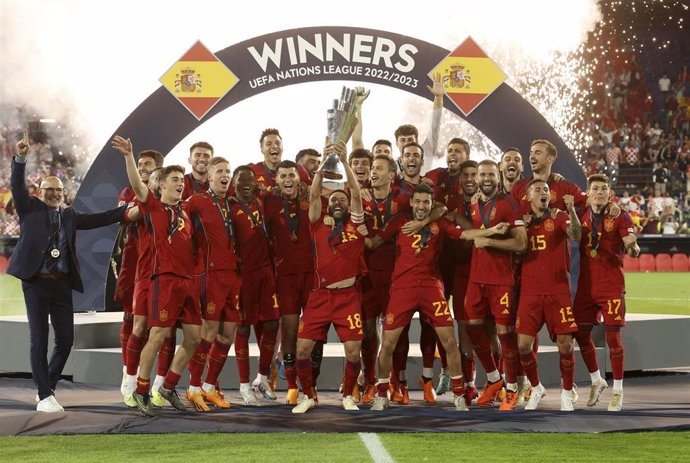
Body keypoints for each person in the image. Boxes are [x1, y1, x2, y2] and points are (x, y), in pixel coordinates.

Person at [10, 130, 127, 413]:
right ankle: (44, 394)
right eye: (49, 189)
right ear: (40, 192)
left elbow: (99, 219)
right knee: (39, 339)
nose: (54, 193)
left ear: (64, 195)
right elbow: (16, 187)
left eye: (59, 190)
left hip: (61, 285)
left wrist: (125, 211)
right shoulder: (30, 210)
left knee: (66, 340)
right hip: (36, 284)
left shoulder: (70, 216)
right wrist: (20, 159)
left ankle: (47, 387)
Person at [366, 183, 507, 411]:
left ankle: (459, 394)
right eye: (418, 201)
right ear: (411, 203)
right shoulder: (399, 222)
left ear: (431, 205)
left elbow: (465, 234)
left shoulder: (438, 223)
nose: (421, 206)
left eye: (426, 202)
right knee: (388, 343)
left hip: (432, 286)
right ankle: (382, 394)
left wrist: (490, 231)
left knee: (450, 341)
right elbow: (374, 242)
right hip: (403, 287)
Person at [112, 135, 202, 417]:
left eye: (181, 179)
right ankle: (141, 389)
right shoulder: (154, 207)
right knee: (159, 334)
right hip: (164, 279)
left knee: (194, 338)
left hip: (188, 281)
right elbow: (138, 186)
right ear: (161, 184)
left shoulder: (185, 211)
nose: (179, 182)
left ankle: (168, 386)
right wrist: (129, 156)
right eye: (174, 179)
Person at [291, 141, 366, 414]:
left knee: (353, 352)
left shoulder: (357, 225)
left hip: (348, 297)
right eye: (333, 200)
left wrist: (345, 162)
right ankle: (308, 396)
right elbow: (312, 196)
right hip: (320, 296)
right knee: (302, 350)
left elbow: (356, 194)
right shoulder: (316, 224)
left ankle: (348, 394)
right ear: (328, 204)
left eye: (342, 200)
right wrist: (323, 163)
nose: (338, 203)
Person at [463, 160, 527, 410]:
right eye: (482, 174)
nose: (486, 178)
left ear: (498, 176)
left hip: (501, 280)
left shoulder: (510, 205)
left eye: (490, 174)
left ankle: (511, 389)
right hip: (476, 279)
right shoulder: (473, 204)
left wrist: (490, 243)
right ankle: (493, 379)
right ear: (477, 178)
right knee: (473, 328)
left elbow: (521, 244)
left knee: (504, 334)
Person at [573, 174, 640, 412]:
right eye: (595, 189)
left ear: (609, 192)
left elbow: (630, 240)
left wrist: (632, 245)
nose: (599, 192)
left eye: (603, 189)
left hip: (611, 286)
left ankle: (618, 391)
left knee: (613, 339)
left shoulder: (619, 215)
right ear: (588, 192)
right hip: (585, 288)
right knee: (580, 335)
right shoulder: (579, 213)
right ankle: (596, 380)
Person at [516, 180, 582, 411]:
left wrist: (572, 210)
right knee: (523, 346)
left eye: (546, 190)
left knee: (565, 344)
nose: (544, 192)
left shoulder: (560, 216)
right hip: (530, 292)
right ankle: (536, 387)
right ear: (528, 197)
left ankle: (566, 392)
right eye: (538, 190)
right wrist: (520, 228)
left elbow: (576, 234)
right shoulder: (520, 221)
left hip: (557, 291)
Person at [183, 156, 241, 411]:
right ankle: (193, 388)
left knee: (228, 334)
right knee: (208, 333)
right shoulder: (197, 201)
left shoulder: (231, 203)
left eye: (228, 171)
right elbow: (176, 217)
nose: (225, 175)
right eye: (220, 171)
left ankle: (208, 387)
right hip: (209, 274)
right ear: (209, 176)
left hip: (232, 275)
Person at [264, 160, 315, 405]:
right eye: (282, 175)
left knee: (314, 331)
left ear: (298, 177)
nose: (287, 179)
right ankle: (293, 385)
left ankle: (310, 386)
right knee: (290, 330)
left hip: (312, 274)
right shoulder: (270, 203)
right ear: (276, 179)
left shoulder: (311, 200)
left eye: (291, 175)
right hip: (285, 276)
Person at [114, 149, 164, 399]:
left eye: (147, 164)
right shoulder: (128, 192)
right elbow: (124, 218)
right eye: (140, 163)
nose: (143, 167)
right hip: (134, 259)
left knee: (163, 325)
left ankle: (158, 382)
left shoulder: (167, 191)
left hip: (162, 263)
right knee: (131, 317)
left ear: (158, 169)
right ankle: (127, 373)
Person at [230, 165, 280, 405]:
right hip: (243, 276)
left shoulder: (262, 200)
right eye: (242, 180)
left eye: (251, 179)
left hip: (266, 273)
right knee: (242, 328)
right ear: (233, 182)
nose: (247, 183)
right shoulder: (228, 207)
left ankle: (262, 377)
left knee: (271, 322)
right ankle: (243, 385)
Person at [248, 128, 310, 193]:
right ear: (262, 149)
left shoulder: (298, 170)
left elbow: (315, 192)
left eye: (277, 143)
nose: (274, 146)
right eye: (269, 144)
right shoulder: (251, 171)